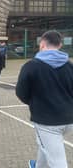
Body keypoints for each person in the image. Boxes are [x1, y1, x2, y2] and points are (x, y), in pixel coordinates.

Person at [16, 30, 73, 168]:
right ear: (59, 45)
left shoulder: (31, 66)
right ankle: (38, 165)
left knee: (57, 161)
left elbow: (21, 93)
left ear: (42, 44)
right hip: (69, 119)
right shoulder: (69, 65)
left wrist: (35, 103)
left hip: (47, 123)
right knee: (44, 144)